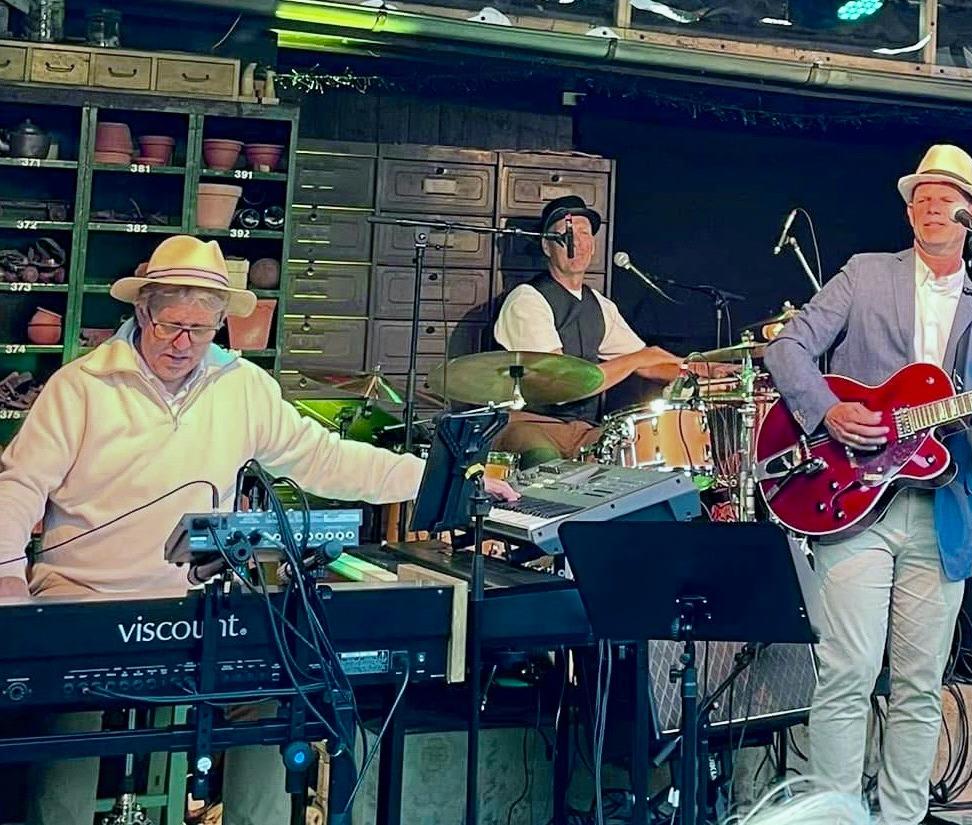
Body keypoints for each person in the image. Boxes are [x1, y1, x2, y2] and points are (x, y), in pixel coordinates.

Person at [0, 235, 515, 824]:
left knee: (274, 697)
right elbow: (18, 486)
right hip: (87, 601)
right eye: (171, 325)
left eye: (200, 329)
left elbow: (325, 459)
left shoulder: (241, 384)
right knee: (66, 727)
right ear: (142, 311)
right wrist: (8, 577)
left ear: (220, 324)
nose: (183, 343)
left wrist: (439, 482)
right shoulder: (81, 386)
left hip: (200, 606)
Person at [765, 144, 972, 825]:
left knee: (920, 685)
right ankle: (833, 817)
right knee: (848, 672)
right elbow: (786, 347)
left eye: (946, 195)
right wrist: (827, 411)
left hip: (944, 512)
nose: (931, 205)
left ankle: (901, 817)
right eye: (921, 196)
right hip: (854, 501)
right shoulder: (865, 274)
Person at [492, 194, 713, 463]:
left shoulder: (599, 305)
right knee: (543, 458)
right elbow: (563, 384)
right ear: (547, 247)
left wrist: (704, 371)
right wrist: (639, 359)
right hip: (530, 423)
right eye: (565, 235)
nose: (576, 242)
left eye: (584, 234)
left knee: (633, 458)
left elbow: (649, 363)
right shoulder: (527, 300)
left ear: (593, 245)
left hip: (584, 430)